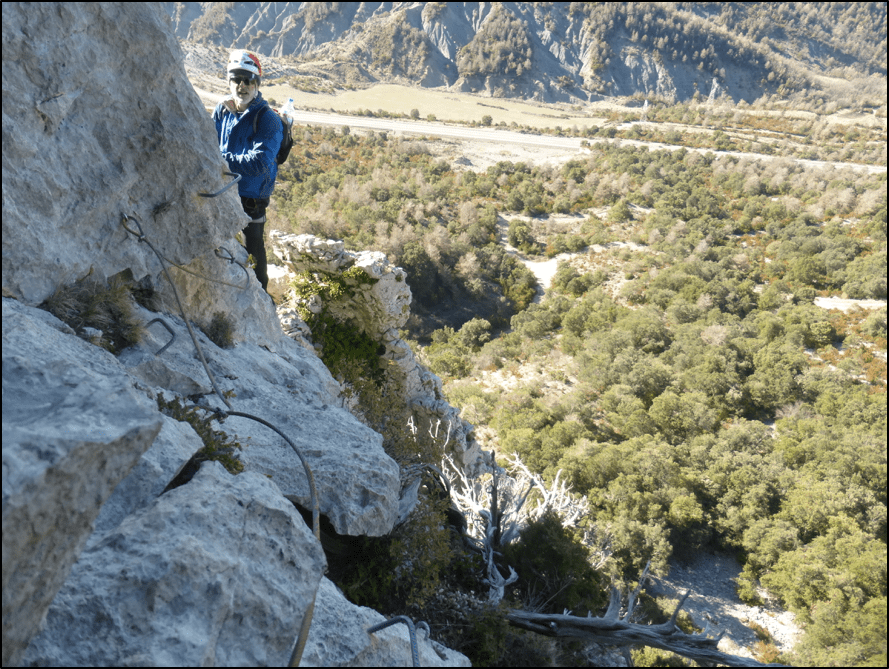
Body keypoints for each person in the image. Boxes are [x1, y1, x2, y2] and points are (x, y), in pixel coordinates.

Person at [212, 50, 283, 292]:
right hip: (224, 188)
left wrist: (220, 160)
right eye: (236, 79)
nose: (242, 85)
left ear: (257, 83)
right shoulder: (222, 111)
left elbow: (260, 162)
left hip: (252, 196)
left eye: (248, 79)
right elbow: (206, 141)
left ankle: (261, 295)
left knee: (253, 246)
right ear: (229, 81)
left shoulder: (267, 119)